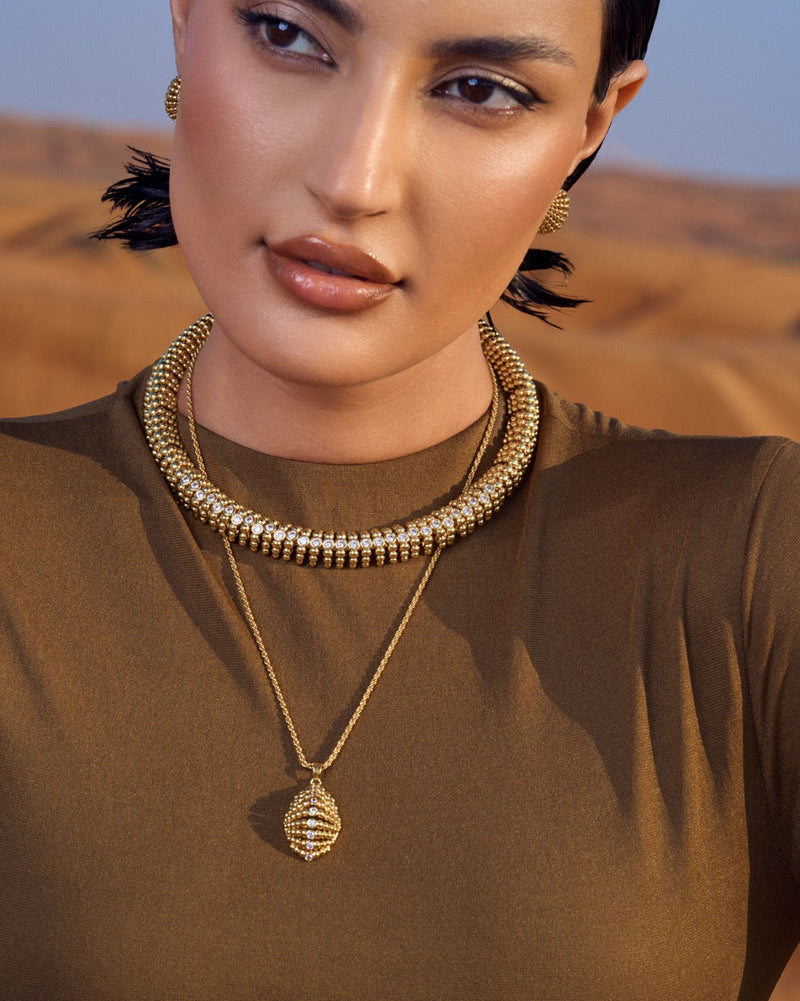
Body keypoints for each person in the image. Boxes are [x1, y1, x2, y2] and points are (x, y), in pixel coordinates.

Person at [1, 0, 798, 997]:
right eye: (288, 36)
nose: (353, 179)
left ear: (590, 126)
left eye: (480, 90)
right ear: (183, 18)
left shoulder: (755, 558)